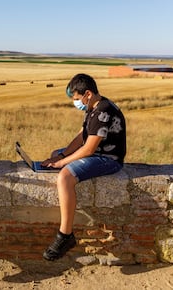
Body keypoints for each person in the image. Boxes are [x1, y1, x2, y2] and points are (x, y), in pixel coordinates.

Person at [41, 73, 126, 261]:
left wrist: (62, 163)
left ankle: (65, 235)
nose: (76, 103)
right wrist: (61, 155)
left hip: (108, 159)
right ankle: (65, 234)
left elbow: (88, 149)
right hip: (97, 153)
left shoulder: (103, 111)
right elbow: (81, 136)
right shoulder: (93, 107)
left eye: (77, 99)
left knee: (64, 177)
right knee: (57, 153)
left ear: (87, 94)